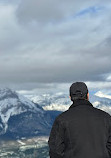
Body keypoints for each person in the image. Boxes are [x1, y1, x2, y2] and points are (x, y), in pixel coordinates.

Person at [48, 82, 111, 158]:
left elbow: (55, 151)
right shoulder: (105, 117)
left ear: (70, 97)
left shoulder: (62, 119)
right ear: (87, 95)